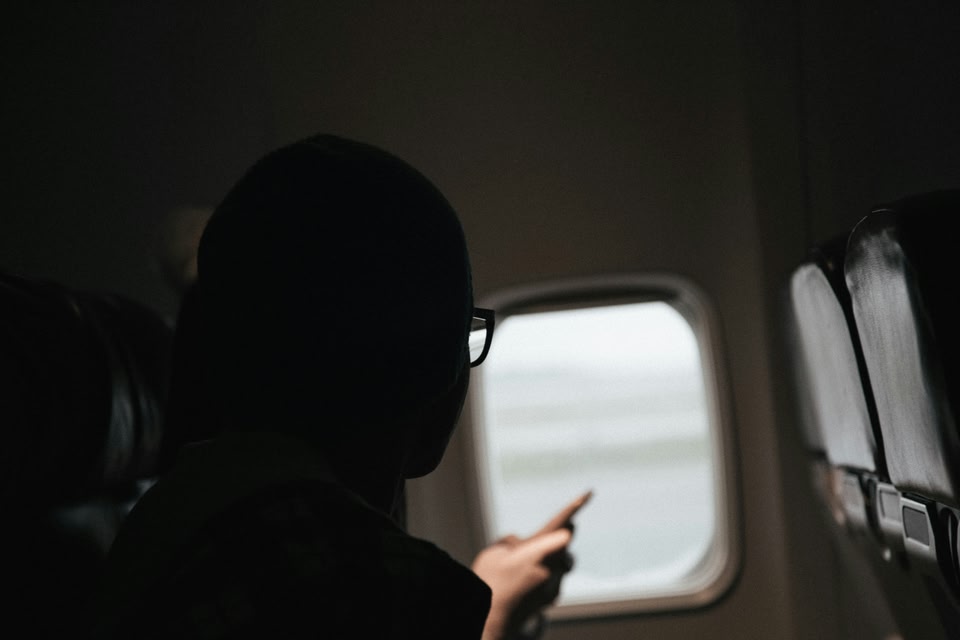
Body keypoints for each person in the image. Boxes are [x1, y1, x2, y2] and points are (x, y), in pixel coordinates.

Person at [90, 133, 588, 639]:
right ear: (428, 364)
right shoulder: (363, 578)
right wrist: (493, 615)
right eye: (462, 333)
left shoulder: (183, 514)